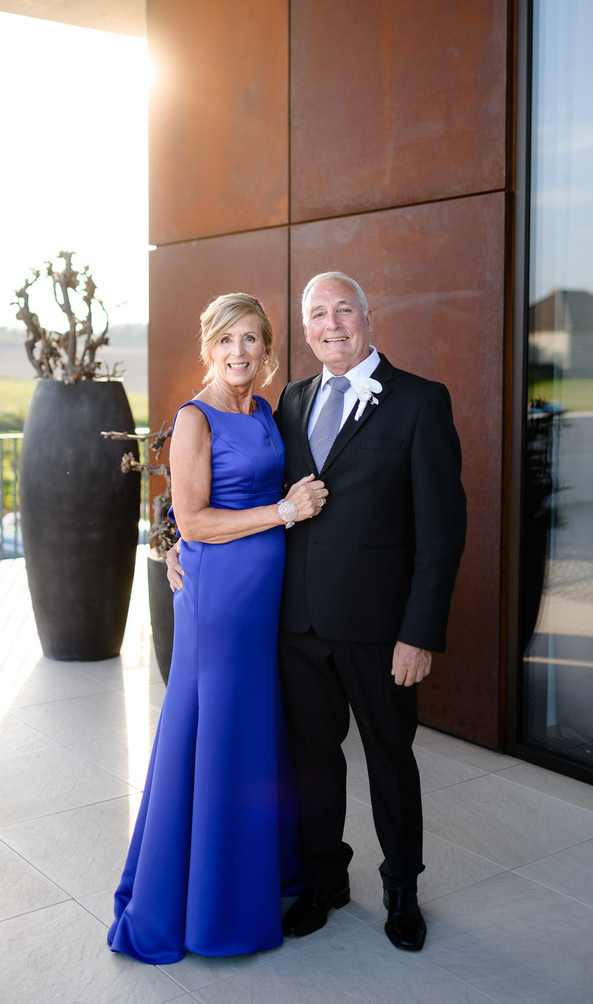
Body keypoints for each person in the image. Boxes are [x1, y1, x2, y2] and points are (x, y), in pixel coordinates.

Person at [168, 271, 466, 953]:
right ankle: (326, 879)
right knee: (310, 763)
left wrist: (418, 632)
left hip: (379, 631)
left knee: (390, 759)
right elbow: (218, 483)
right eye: (316, 316)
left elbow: (443, 532)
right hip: (293, 626)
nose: (331, 325)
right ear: (303, 331)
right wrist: (170, 542)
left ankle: (401, 891)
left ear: (366, 316)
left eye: (343, 311)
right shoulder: (288, 404)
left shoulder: (421, 402)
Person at [108, 292, 327, 964]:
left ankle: (254, 877)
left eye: (252, 340)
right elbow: (196, 520)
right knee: (213, 731)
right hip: (220, 602)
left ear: (266, 350)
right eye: (227, 340)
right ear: (209, 347)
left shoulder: (264, 411)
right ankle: (201, 903)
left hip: (265, 597)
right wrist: (285, 512)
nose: (240, 353)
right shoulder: (194, 418)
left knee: (254, 731)